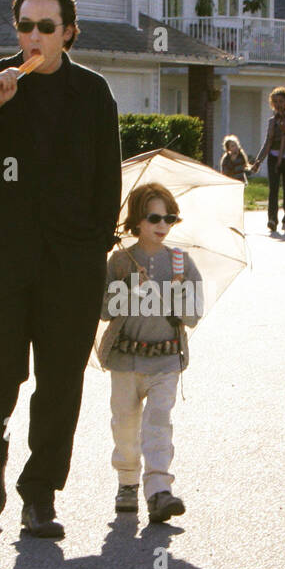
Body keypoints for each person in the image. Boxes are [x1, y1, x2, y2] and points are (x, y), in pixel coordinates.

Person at [0, 0, 121, 540]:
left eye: (47, 26)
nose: (34, 36)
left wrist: (93, 247)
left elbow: (106, 183)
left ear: (68, 33)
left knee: (62, 380)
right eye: (25, 26)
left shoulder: (92, 94)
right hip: (3, 259)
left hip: (71, 265)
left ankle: (40, 493)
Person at [99, 183, 203, 524]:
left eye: (169, 218)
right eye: (154, 217)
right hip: (126, 360)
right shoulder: (119, 261)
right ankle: (127, 481)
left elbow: (194, 311)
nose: (162, 224)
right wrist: (128, 287)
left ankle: (159, 490)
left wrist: (171, 297)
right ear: (137, 222)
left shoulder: (180, 262)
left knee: (158, 421)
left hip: (166, 359)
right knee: (125, 425)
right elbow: (103, 310)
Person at [250, 87, 285, 234]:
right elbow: (268, 142)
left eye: (281, 101)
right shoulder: (272, 121)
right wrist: (258, 160)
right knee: (273, 189)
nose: (278, 104)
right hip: (274, 157)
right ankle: (272, 219)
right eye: (275, 102)